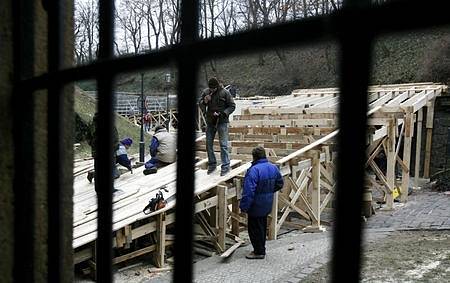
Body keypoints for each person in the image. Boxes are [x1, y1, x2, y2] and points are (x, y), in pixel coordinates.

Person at [239, 146, 284, 259]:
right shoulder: (273, 167)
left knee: (254, 229)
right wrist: (268, 192)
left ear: (254, 157)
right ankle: (261, 249)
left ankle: (258, 252)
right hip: (267, 203)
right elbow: (280, 183)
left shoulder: (254, 170)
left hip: (255, 205)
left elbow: (248, 192)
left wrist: (244, 207)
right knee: (262, 227)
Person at [198, 77, 236, 176]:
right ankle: (212, 164)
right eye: (210, 88)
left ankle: (226, 166)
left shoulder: (225, 93)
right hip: (210, 122)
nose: (212, 90)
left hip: (222, 121)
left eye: (213, 88)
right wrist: (205, 102)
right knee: (208, 144)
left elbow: (232, 106)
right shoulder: (206, 92)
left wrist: (223, 113)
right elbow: (200, 104)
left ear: (217, 86)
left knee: (223, 145)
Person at [86, 113, 121, 191]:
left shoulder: (92, 125)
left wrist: (93, 144)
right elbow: (115, 138)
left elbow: (88, 137)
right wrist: (115, 148)